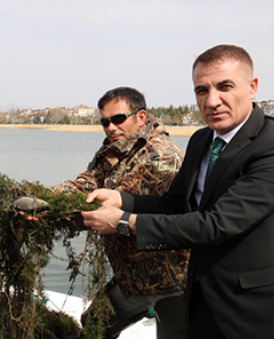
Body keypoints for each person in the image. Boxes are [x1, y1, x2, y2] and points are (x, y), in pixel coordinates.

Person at [82, 44, 274, 338]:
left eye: (225, 86)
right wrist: (121, 199)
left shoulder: (272, 145)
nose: (212, 101)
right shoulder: (202, 140)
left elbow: (217, 224)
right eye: (202, 90)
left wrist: (124, 222)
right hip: (197, 296)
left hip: (250, 308)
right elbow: (175, 203)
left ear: (252, 87)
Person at [38, 87, 189, 338]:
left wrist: (111, 220)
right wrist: (46, 200)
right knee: (95, 326)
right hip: (131, 279)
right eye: (104, 122)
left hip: (169, 280)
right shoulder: (113, 150)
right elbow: (87, 184)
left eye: (118, 119)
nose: (110, 127)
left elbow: (172, 217)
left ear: (141, 117)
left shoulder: (163, 156)